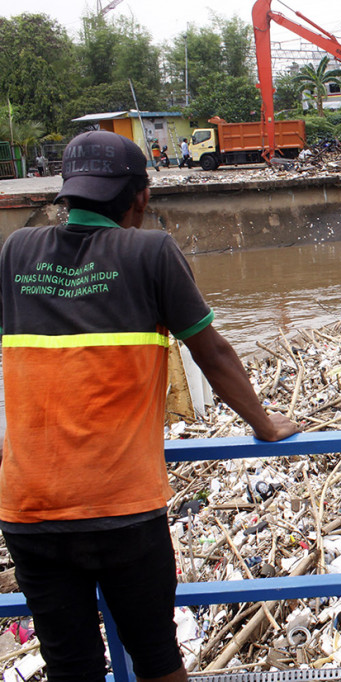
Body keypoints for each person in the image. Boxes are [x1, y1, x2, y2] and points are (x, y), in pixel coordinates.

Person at [0, 130, 299, 682]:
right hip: (121, 510)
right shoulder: (151, 251)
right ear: (139, 197)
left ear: (68, 194)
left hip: (29, 509)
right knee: (158, 659)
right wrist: (264, 422)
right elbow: (213, 352)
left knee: (72, 668)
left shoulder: (17, 251)